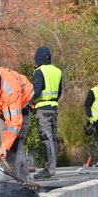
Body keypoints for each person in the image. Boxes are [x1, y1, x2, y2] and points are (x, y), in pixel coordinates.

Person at [31, 46, 62, 179]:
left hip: (42, 108)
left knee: (46, 139)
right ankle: (51, 168)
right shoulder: (57, 71)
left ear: (38, 60)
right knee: (52, 139)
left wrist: (30, 101)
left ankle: (49, 170)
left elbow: (36, 92)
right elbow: (59, 92)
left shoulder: (39, 71)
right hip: (54, 107)